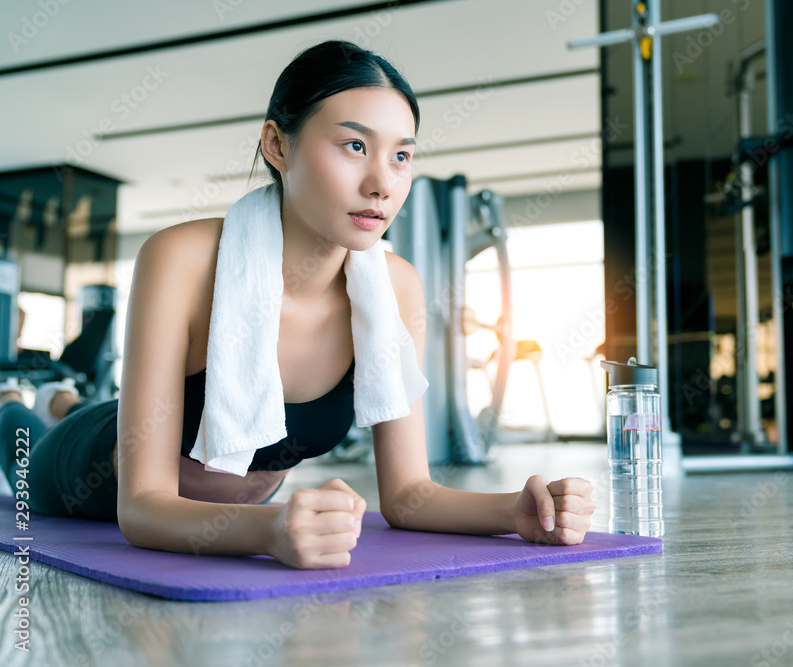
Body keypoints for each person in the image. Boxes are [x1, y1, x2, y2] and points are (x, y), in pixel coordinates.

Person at [0, 41, 595, 570]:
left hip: (230, 498)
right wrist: (270, 529)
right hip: (85, 475)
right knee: (17, 437)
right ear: (276, 144)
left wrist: (514, 511)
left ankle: (64, 397)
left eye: (401, 156)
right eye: (354, 145)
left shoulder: (395, 286)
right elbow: (142, 508)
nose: (382, 183)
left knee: (92, 403)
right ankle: (20, 403)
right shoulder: (180, 257)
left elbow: (410, 494)